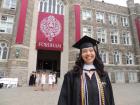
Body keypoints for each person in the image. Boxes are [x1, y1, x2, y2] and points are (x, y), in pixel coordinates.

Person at [58, 36, 115, 105]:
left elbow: (110, 98)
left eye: (91, 50)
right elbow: (64, 100)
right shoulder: (71, 76)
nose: (88, 53)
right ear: (81, 55)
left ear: (95, 53)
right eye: (84, 51)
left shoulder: (103, 75)